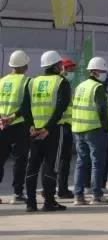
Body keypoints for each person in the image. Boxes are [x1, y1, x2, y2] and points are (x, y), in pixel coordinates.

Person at [24, 50, 72, 212]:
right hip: (52, 131)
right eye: (61, 64)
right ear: (57, 65)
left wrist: (32, 126)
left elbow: (25, 107)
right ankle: (49, 202)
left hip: (34, 131)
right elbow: (60, 108)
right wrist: (47, 128)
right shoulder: (61, 82)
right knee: (51, 166)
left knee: (32, 166)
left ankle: (31, 204)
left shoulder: (32, 82)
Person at [71, 56, 108, 205]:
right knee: (97, 162)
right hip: (94, 129)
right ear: (95, 72)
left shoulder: (80, 86)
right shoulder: (98, 88)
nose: (106, 74)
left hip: (78, 129)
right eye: (103, 71)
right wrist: (106, 128)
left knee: (81, 162)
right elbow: (101, 109)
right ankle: (96, 195)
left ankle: (78, 196)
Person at [0, 49, 32, 203]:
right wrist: (13, 117)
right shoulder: (26, 81)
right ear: (24, 65)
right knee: (20, 160)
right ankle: (17, 194)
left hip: (2, 125)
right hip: (19, 125)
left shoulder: (2, 81)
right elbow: (27, 106)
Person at [56, 58, 77, 199]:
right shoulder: (60, 83)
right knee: (61, 159)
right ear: (62, 68)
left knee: (64, 159)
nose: (71, 71)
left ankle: (61, 187)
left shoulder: (66, 83)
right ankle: (61, 189)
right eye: (69, 69)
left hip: (67, 125)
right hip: (62, 126)